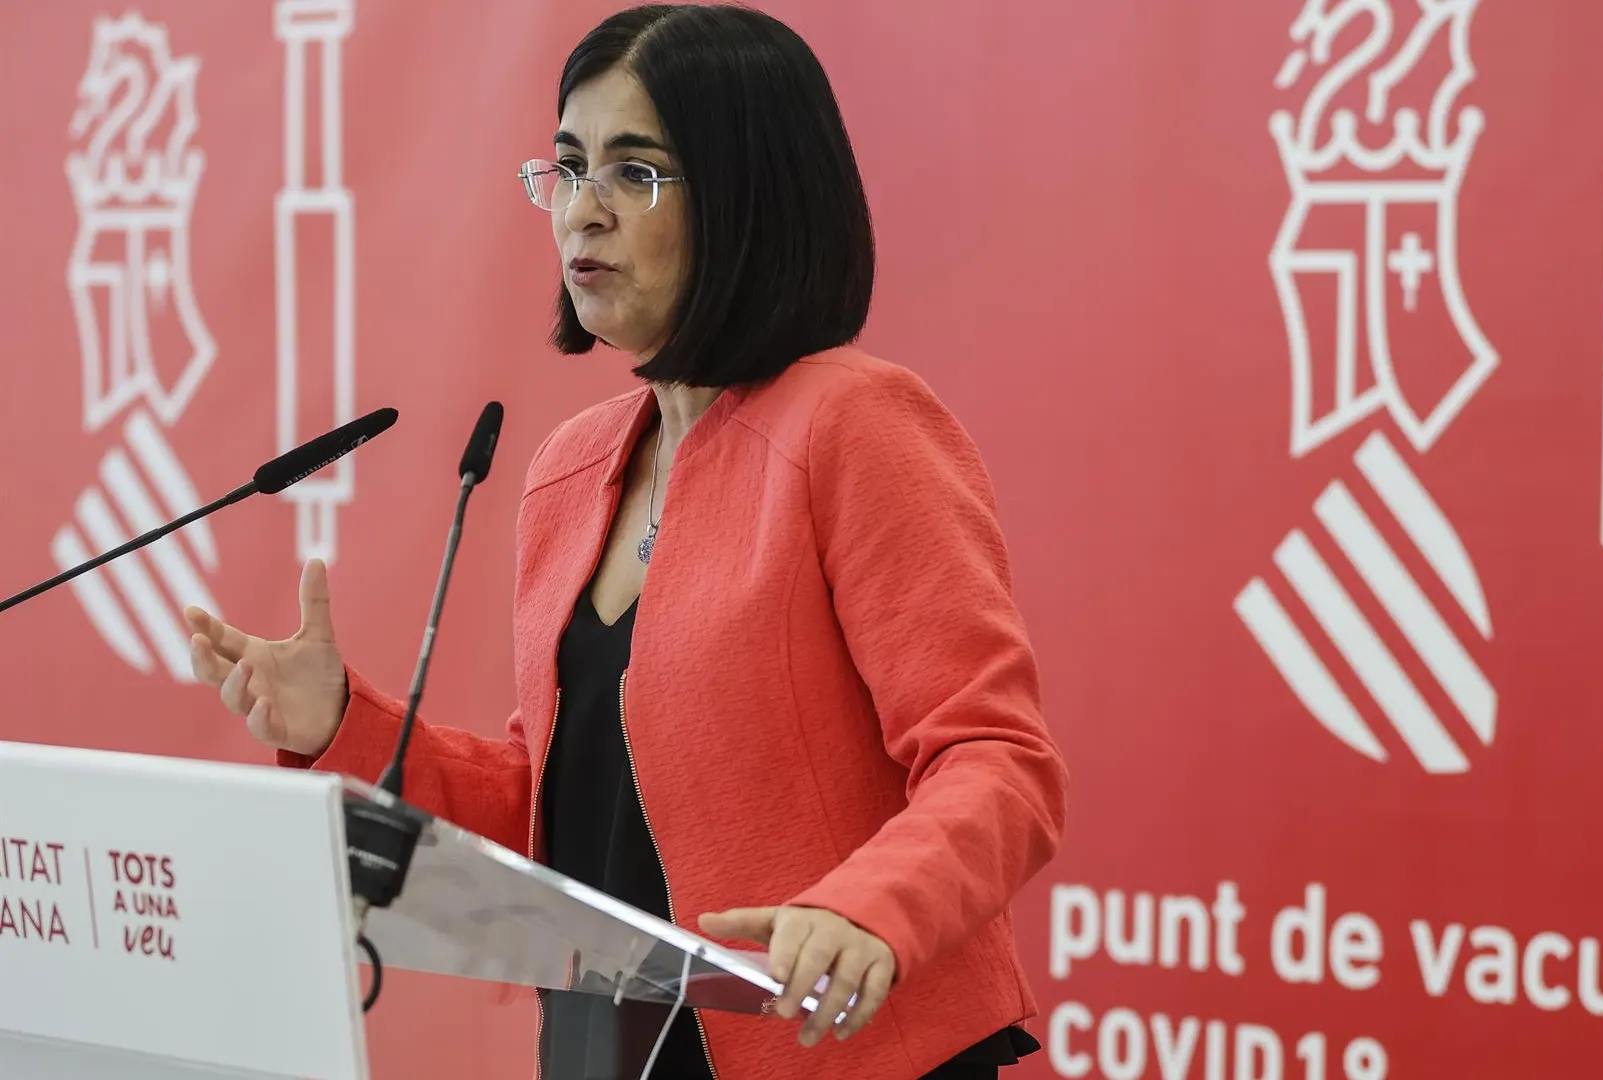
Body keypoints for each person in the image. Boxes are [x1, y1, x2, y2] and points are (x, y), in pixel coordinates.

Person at [180, 5, 1067, 1079]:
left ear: (748, 196)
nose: (580, 214)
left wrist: (867, 911)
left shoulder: (856, 424)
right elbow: (553, 815)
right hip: (614, 1048)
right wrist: (344, 727)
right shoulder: (570, 466)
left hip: (835, 1049)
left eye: (635, 174)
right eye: (566, 168)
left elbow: (997, 763)